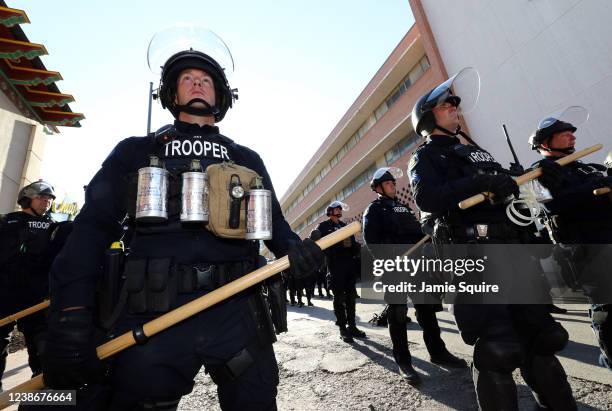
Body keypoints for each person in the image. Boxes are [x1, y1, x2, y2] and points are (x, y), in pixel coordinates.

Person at [42, 25, 322, 410]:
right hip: (154, 310)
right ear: (171, 94)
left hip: (236, 309)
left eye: (205, 79)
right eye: (187, 79)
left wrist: (299, 255)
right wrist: (71, 313)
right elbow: (90, 230)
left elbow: (275, 227)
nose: (197, 83)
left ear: (220, 95)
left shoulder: (246, 159)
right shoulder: (136, 151)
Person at [408, 68, 576, 410]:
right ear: (428, 118)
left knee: (541, 338)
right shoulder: (426, 155)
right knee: (499, 347)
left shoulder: (478, 153)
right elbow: (427, 198)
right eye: (446, 103)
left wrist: (534, 180)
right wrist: (479, 184)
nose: (456, 105)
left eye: (456, 101)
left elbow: (518, 198)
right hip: (476, 258)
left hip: (514, 254)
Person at [363, 167, 467, 385]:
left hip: (417, 266)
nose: (393, 185)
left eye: (393, 183)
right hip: (394, 267)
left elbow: (418, 235)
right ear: (378, 187)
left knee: (427, 310)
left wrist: (427, 230)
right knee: (398, 313)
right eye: (388, 183)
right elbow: (372, 242)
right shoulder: (374, 210)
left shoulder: (403, 207)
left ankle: (438, 352)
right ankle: (404, 361)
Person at [529, 107, 612, 371]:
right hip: (586, 253)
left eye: (571, 133)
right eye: (564, 134)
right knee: (608, 314)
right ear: (545, 142)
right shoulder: (537, 175)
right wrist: (591, 190)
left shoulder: (589, 167)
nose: (572, 137)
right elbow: (551, 207)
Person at [0, 181, 56, 389]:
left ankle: (43, 392)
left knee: (42, 344)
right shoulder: (6, 222)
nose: (47, 202)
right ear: (27, 199)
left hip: (36, 297)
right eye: (42, 197)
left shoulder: (55, 228)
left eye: (49, 199)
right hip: (5, 292)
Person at [315, 201, 365, 343]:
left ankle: (352, 326)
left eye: (340, 208)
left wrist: (355, 246)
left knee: (351, 298)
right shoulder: (323, 226)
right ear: (330, 211)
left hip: (349, 266)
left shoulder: (344, 226)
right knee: (339, 298)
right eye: (337, 208)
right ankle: (343, 328)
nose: (339, 210)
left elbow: (354, 245)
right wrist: (339, 246)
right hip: (335, 267)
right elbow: (321, 247)